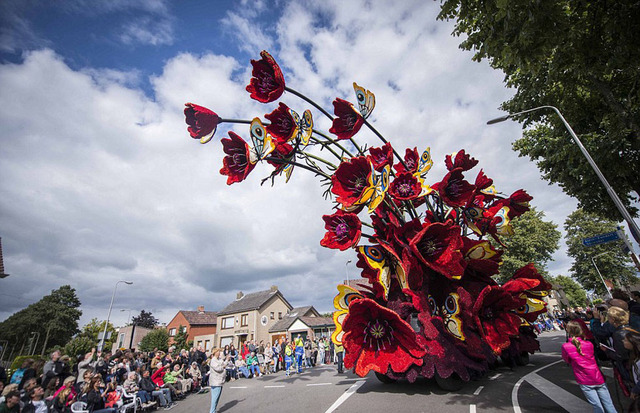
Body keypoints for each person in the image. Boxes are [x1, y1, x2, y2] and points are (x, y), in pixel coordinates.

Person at [562, 321, 617, 413]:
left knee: (597, 406)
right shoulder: (589, 344)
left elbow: (567, 360)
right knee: (609, 404)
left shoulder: (566, 346)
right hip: (597, 376)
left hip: (583, 378)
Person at [209, 348, 228, 413]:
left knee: (217, 397)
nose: (219, 353)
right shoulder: (213, 360)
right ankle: (212, 411)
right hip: (215, 381)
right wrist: (223, 367)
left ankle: (214, 410)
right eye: (218, 351)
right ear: (215, 352)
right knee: (215, 397)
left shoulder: (219, 359)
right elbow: (218, 368)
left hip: (220, 380)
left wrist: (227, 360)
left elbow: (224, 364)